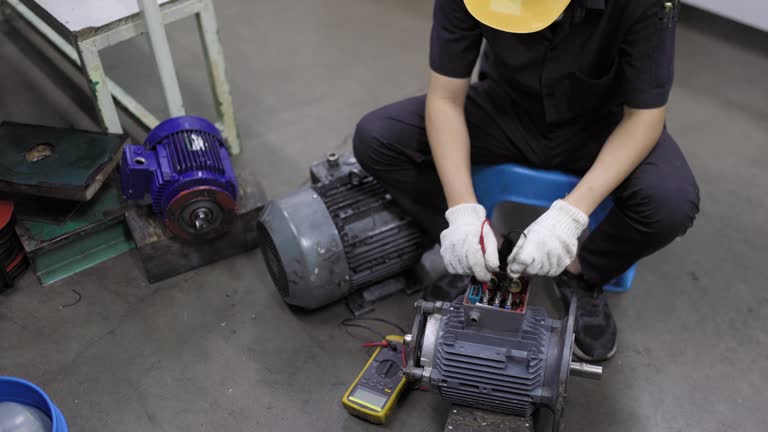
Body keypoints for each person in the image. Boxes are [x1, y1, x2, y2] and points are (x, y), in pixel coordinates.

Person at [353, 0, 699, 361]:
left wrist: (571, 215)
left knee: (670, 203)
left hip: (603, 126)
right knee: (377, 138)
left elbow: (643, 119)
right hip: (506, 109)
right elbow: (445, 99)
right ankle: (487, 249)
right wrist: (462, 212)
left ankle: (580, 271)